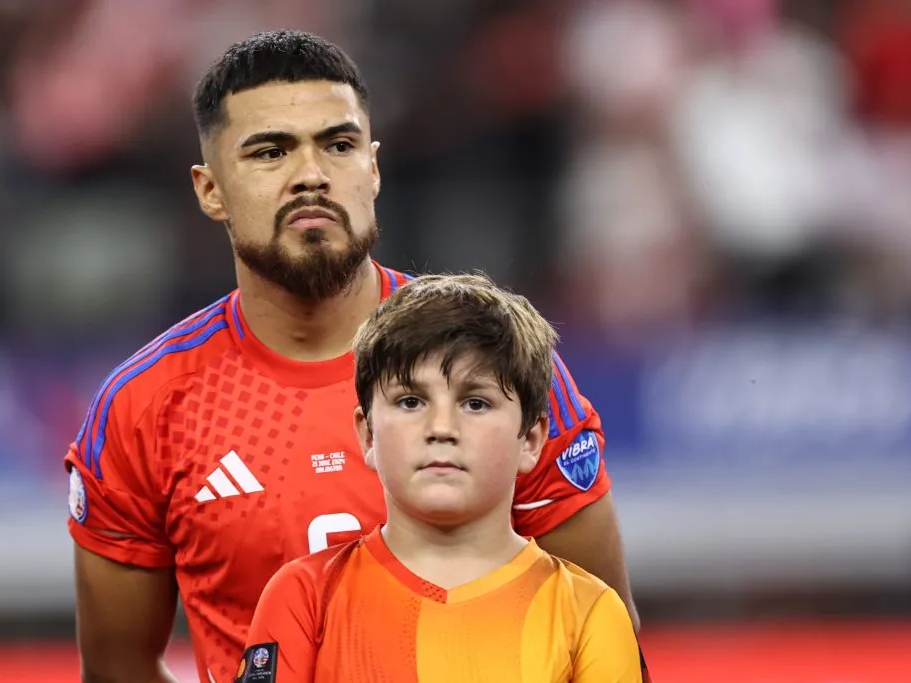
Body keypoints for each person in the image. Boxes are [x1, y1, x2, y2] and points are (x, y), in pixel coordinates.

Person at [65, 30, 636, 683]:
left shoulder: (493, 356)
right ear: (209, 189)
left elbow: (602, 629)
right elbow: (118, 667)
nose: (311, 174)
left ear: (373, 167)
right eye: (270, 151)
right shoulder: (145, 405)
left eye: (337, 145)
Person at [239, 273, 642, 683]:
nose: (442, 427)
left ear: (532, 440)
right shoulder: (303, 598)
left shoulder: (589, 613)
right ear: (367, 434)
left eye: (476, 402)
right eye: (411, 401)